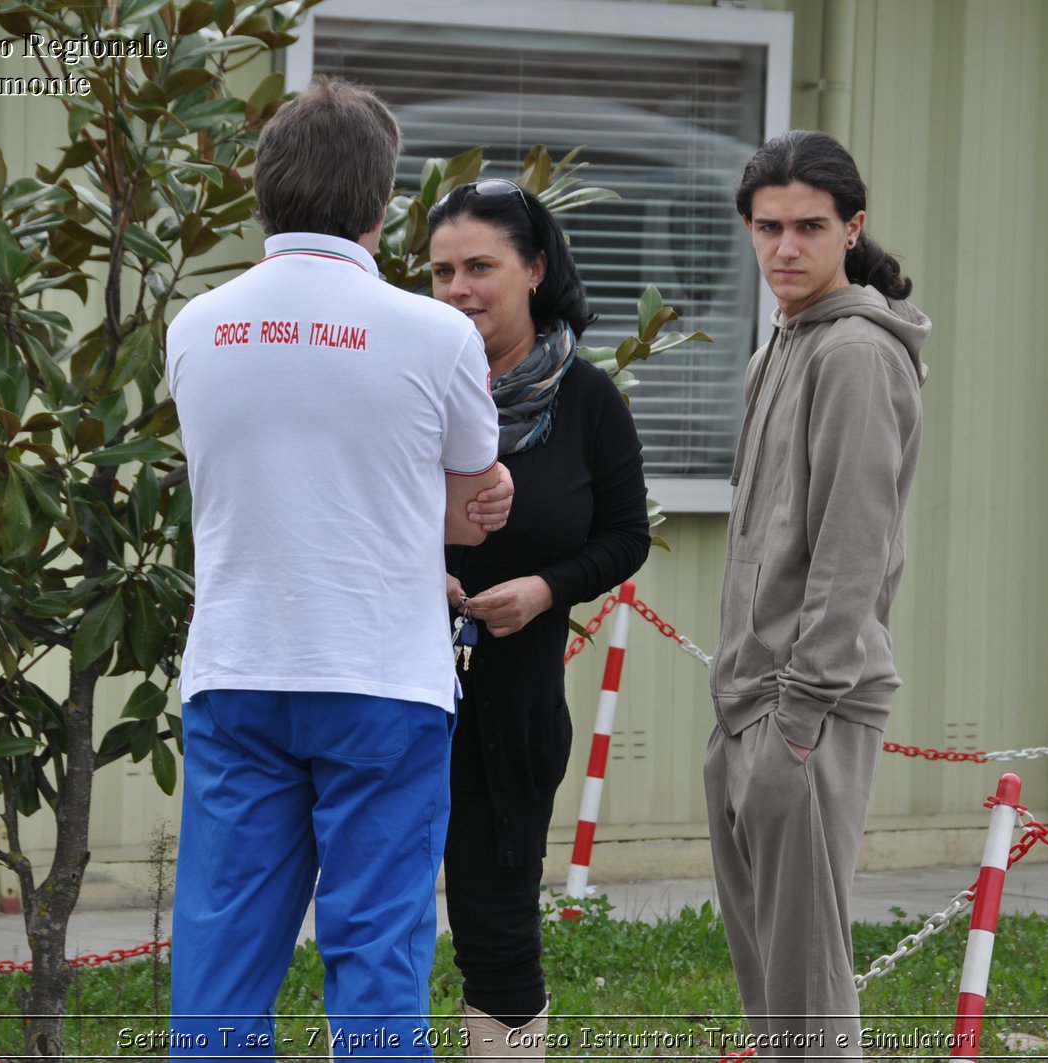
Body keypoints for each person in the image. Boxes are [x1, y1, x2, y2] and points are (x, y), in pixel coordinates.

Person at [164, 76, 512, 1060]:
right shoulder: (438, 332)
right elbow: (473, 498)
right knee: (374, 967)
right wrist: (453, 509)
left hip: (238, 671)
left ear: (262, 192)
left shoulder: (196, 325)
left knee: (221, 967)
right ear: (383, 203)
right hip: (382, 679)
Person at [704, 130, 930, 1059]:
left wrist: (795, 721)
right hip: (747, 699)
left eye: (809, 226)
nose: (785, 247)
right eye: (768, 227)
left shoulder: (855, 355)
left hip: (810, 707)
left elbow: (852, 552)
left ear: (852, 228)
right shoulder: (780, 349)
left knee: (807, 993)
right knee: (770, 983)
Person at [427, 179, 650, 1058]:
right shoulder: (410, 382)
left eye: (480, 266)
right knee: (376, 928)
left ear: (535, 268)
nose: (458, 289)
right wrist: (418, 577)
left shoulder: (588, 399)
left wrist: (545, 589)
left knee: (501, 929)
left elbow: (625, 535)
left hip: (514, 709)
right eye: (442, 271)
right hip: (393, 700)